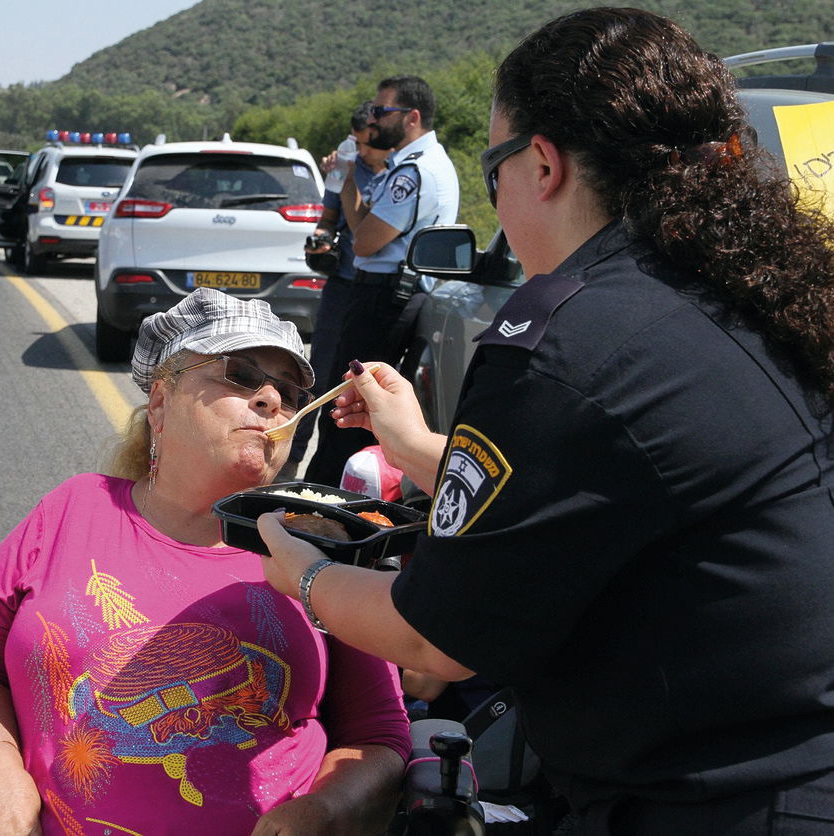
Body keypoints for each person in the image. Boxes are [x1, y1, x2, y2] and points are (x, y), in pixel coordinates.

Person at [256, 7, 834, 835]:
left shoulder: (571, 338)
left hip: (715, 802)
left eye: (494, 172)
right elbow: (599, 487)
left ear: (544, 164)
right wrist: (416, 445)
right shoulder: (736, 292)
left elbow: (432, 638)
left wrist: (301, 570)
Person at [0, 287, 409, 836]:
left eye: (287, 393)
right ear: (162, 402)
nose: (270, 400)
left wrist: (326, 810)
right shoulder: (71, 510)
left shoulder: (326, 550)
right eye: (240, 374)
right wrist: (5, 769)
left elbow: (379, 735)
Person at [303, 75, 459, 487]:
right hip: (382, 291)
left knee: (346, 409)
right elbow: (362, 230)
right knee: (350, 407)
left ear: (411, 118)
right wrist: (352, 177)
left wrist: (353, 185)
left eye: (380, 111)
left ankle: (323, 502)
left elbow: (367, 242)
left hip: (384, 295)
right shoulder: (409, 167)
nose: (372, 119)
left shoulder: (415, 172)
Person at [280, 103, 389, 481]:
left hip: (381, 289)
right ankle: (289, 460)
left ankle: (361, 470)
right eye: (355, 143)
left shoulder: (401, 175)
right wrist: (321, 242)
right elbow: (328, 221)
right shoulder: (345, 167)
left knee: (364, 382)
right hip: (343, 285)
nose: (361, 152)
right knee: (318, 375)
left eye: (366, 144)